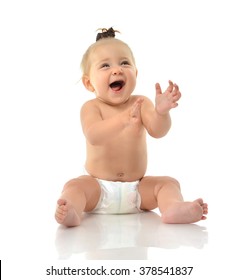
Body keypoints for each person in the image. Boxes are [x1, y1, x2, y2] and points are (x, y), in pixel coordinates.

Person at [55, 28, 208, 227]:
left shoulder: (141, 103)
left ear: (135, 73)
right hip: (98, 188)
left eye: (124, 63)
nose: (117, 70)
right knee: (75, 186)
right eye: (105, 65)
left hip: (138, 190)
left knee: (168, 184)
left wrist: (161, 112)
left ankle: (172, 207)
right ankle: (72, 212)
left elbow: (158, 131)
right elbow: (94, 135)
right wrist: (123, 120)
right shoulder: (91, 107)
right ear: (89, 83)